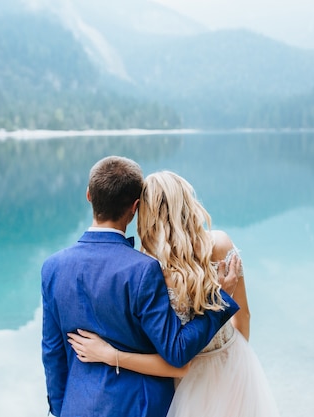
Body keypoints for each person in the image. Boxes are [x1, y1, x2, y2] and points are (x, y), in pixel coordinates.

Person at [68, 170, 279, 417]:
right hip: (233, 363)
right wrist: (237, 364)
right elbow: (244, 317)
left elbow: (171, 358)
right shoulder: (221, 244)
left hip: (184, 384)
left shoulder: (147, 268)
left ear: (144, 212)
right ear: (188, 203)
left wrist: (110, 355)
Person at [41, 157, 241, 417]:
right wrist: (221, 300)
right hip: (140, 407)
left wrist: (61, 408)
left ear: (89, 195)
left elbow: (52, 353)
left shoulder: (52, 267)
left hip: (77, 406)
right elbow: (176, 351)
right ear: (135, 208)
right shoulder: (143, 269)